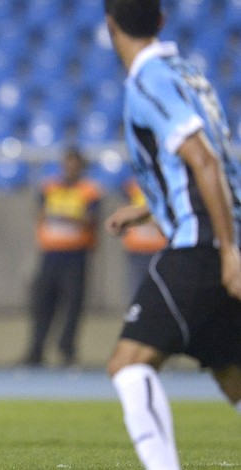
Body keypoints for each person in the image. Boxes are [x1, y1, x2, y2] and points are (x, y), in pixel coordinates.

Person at [104, 1, 241, 469]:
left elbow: (203, 159)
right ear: (161, 22)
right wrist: (146, 212)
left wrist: (228, 252)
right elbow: (209, 162)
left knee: (129, 363)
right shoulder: (189, 75)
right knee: (232, 376)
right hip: (219, 230)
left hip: (202, 242)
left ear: (109, 25)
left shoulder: (150, 81)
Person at [24, 147, 102, 367]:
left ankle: (67, 349)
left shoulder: (89, 191)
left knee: (73, 305)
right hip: (51, 254)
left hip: (76, 255)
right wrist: (71, 217)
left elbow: (91, 219)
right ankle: (36, 350)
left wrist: (66, 216)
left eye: (74, 165)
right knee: (43, 305)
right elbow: (40, 214)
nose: (70, 169)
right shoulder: (49, 187)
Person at [119, 176, 167, 297]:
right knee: (137, 290)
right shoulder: (131, 187)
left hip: (162, 250)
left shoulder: (168, 183)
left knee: (160, 293)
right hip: (137, 249)